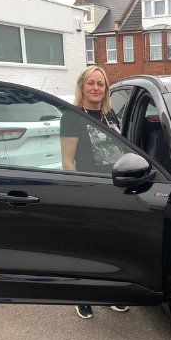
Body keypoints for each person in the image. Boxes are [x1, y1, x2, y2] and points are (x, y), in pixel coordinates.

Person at [59, 65, 129, 319]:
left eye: (101, 84)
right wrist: (78, 195)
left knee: (111, 246)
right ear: (82, 86)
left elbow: (122, 152)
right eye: (92, 83)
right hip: (88, 190)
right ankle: (84, 295)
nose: (96, 88)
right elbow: (67, 162)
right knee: (88, 248)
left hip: (115, 189)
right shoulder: (72, 116)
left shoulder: (112, 116)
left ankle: (110, 294)